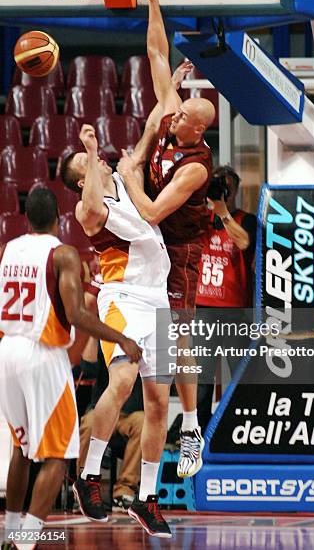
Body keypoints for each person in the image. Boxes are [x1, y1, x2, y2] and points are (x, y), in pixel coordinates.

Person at [0, 187, 140, 550]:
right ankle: (26, 541)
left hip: (8, 350)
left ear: (25, 217)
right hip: (41, 353)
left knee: (22, 447)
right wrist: (122, 339)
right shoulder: (61, 253)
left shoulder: (9, 250)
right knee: (60, 455)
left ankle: (11, 532)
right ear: (60, 218)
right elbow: (76, 315)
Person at [116, 0, 216, 479]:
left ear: (198, 130)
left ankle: (193, 425)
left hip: (178, 246)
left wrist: (132, 173)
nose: (171, 118)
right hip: (150, 242)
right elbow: (157, 54)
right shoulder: (174, 111)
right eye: (175, 115)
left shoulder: (196, 165)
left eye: (181, 119)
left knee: (179, 334)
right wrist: (154, 4)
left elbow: (153, 212)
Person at [61, 124, 173, 538]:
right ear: (83, 178)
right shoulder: (89, 210)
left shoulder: (126, 181)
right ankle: (88, 475)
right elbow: (90, 209)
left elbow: (144, 142)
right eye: (88, 165)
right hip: (122, 299)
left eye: (97, 159)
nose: (100, 161)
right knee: (123, 380)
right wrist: (89, 152)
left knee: (159, 404)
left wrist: (170, 81)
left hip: (158, 302)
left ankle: (146, 499)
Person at [195, 166, 257, 432]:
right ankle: (198, 432)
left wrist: (223, 212)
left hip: (235, 310)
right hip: (203, 309)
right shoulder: (199, 219)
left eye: (227, 187)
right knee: (202, 378)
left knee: (239, 374)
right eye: (218, 185)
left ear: (235, 191)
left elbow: (244, 243)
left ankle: (240, 428)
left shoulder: (246, 219)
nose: (223, 191)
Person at [77, 346, 144, 512]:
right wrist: (93, 328)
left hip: (130, 413)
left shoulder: (142, 335)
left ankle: (124, 491)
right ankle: (84, 488)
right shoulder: (104, 334)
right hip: (102, 410)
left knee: (143, 423)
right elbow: (88, 370)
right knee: (89, 423)